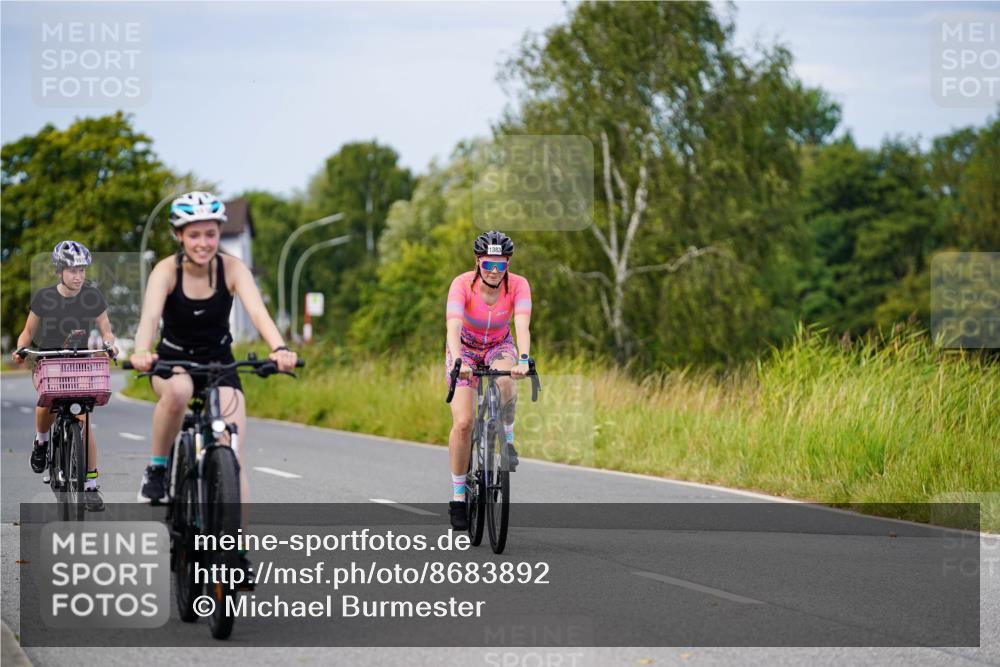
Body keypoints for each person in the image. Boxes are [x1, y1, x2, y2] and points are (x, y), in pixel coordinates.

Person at [128, 191, 297, 526]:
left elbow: (259, 313)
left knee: (231, 454)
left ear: (219, 233)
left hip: (220, 363)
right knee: (178, 393)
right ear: (179, 236)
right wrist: (142, 351)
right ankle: (158, 468)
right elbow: (148, 318)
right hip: (172, 361)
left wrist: (279, 349)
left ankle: (237, 553)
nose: (203, 243)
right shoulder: (166, 271)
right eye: (194, 235)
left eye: (210, 234)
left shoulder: (232, 269)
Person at [10, 240, 118, 512]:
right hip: (48, 360)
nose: (78, 276)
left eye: (81, 270)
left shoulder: (92, 296)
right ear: (60, 272)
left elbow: (106, 329)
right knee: (46, 402)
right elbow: (27, 332)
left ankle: (91, 485)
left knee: (83, 419)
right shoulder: (45, 297)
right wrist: (22, 349)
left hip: (78, 362)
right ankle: (41, 441)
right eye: (72, 270)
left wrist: (110, 342)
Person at [445, 230, 532, 530]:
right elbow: (453, 326)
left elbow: (522, 324)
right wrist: (458, 360)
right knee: (465, 423)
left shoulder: (518, 285)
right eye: (488, 265)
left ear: (507, 263)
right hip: (464, 350)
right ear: (477, 262)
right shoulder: (461, 285)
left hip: (499, 346)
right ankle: (458, 496)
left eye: (500, 266)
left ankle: (506, 441)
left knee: (507, 380)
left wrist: (523, 360)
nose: (494, 272)